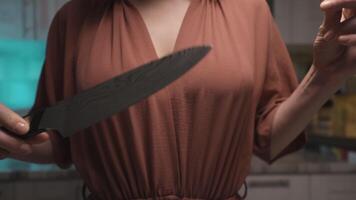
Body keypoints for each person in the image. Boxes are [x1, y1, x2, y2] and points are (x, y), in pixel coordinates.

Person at [0, 0, 355, 199]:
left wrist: (323, 78)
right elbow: (61, 141)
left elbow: (267, 136)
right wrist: (17, 142)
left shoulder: (249, 11)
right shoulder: (72, 20)